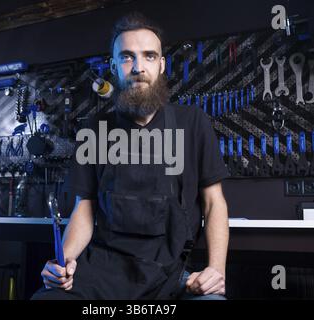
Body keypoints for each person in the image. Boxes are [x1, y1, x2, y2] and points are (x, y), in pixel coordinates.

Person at [32, 12, 229, 300]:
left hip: (170, 274)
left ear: (161, 65)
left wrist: (216, 271)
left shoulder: (193, 122)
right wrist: (65, 263)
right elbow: (83, 209)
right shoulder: (94, 130)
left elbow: (214, 204)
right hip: (103, 273)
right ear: (114, 66)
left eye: (149, 56)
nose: (138, 67)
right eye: (127, 57)